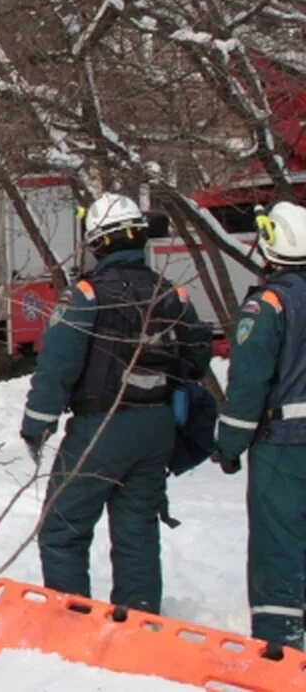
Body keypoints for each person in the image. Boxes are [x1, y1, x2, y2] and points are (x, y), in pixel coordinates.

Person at [19, 192, 212, 613]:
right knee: (138, 525)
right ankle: (138, 617)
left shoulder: (85, 295)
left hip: (102, 425)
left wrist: (37, 424)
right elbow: (197, 355)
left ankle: (73, 619)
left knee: (63, 526)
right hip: (157, 425)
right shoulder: (172, 294)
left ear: (97, 242)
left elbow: (58, 366)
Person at [215, 200, 306, 651]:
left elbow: (249, 385)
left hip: (285, 447)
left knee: (280, 544)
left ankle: (280, 648)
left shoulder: (269, 305)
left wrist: (229, 444)